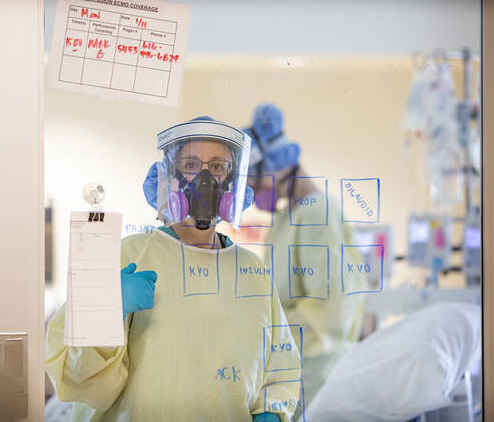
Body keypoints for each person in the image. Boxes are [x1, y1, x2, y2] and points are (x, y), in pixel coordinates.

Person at [46, 116, 302, 421]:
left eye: (218, 167)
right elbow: (83, 386)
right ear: (167, 178)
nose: (205, 179)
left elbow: (281, 366)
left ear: (233, 184)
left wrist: (272, 411)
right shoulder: (127, 255)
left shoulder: (253, 272)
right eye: (191, 165)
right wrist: (106, 310)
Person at [243, 104, 366, 411]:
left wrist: (260, 336)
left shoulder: (317, 215)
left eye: (255, 185)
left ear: (279, 166)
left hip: (316, 376)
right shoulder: (287, 217)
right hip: (290, 371)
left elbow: (330, 312)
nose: (254, 196)